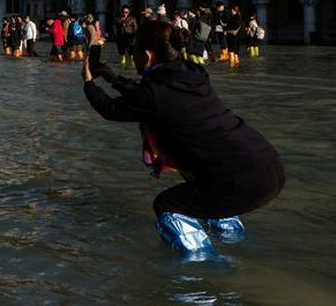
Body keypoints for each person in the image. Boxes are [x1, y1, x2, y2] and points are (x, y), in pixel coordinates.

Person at [81, 20, 284, 258]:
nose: (132, 56)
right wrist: (113, 79)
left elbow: (111, 109)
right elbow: (153, 96)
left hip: (239, 181)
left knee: (167, 205)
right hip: (269, 167)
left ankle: (204, 269)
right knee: (196, 183)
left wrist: (88, 83)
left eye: (135, 51)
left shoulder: (154, 93)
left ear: (147, 56)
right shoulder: (193, 73)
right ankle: (236, 241)